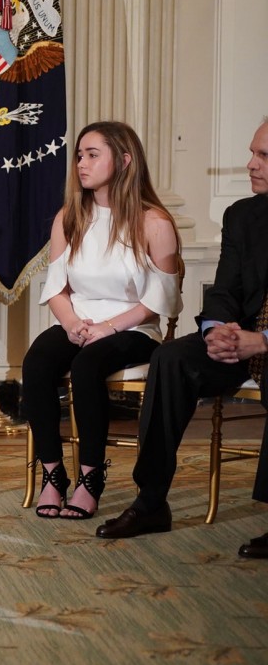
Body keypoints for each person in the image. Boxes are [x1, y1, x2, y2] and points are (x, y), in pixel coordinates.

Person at [97, 119, 268, 556]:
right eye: (253, 152)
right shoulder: (242, 215)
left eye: (262, 156)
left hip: (263, 344)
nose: (250, 164)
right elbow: (225, 290)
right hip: (237, 339)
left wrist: (262, 341)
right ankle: (151, 501)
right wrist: (217, 331)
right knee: (172, 358)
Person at [23, 122, 181, 520]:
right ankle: (52, 474)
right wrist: (74, 323)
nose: (81, 163)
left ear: (124, 160)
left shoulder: (154, 222)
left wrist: (107, 328)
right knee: (37, 360)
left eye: (93, 154)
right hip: (79, 321)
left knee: (87, 364)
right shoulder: (69, 218)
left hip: (133, 328)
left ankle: (91, 478)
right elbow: (57, 289)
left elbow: (158, 302)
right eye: (79, 155)